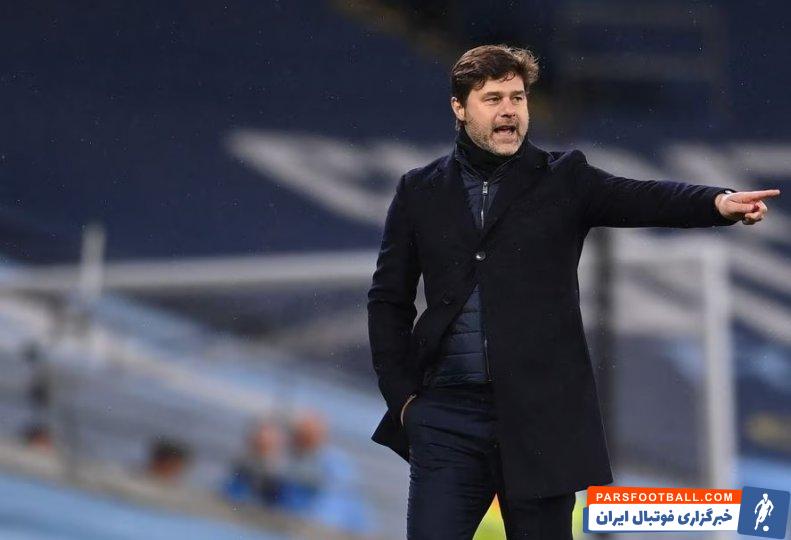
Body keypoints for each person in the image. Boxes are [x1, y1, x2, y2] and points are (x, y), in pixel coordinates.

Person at [366, 44, 780, 539]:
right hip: (447, 420)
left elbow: (642, 197)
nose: (509, 111)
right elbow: (388, 300)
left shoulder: (564, 179)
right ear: (459, 107)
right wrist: (404, 401)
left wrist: (716, 203)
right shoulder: (419, 190)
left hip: (542, 421)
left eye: (518, 98)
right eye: (493, 99)